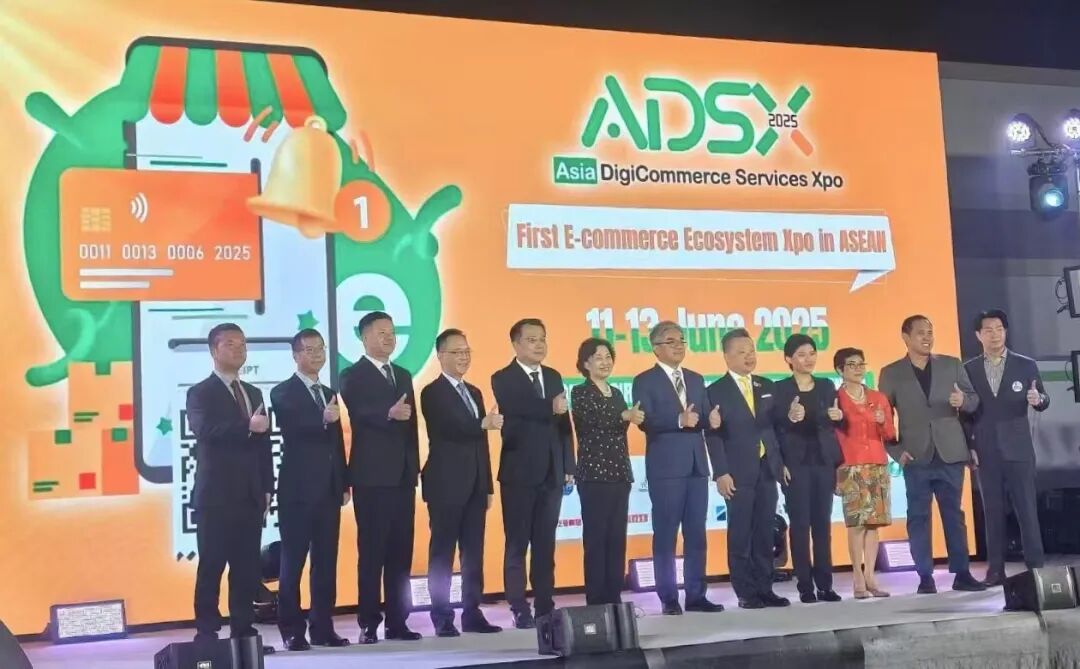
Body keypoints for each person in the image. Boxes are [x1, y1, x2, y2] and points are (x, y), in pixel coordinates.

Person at [878, 315, 985, 594]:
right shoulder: (891, 373)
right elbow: (882, 418)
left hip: (950, 452)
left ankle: (962, 573)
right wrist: (895, 451)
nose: (927, 337)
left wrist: (963, 401)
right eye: (920, 333)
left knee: (954, 516)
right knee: (918, 518)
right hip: (915, 456)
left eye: (930, 332)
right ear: (906, 337)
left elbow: (974, 400)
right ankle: (925, 576)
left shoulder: (952, 364)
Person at [186, 323, 274, 647]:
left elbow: (264, 444)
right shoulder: (200, 392)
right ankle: (207, 632)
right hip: (216, 496)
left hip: (250, 494)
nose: (239, 349)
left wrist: (267, 486)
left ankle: (243, 631)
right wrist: (246, 425)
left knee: (246, 568)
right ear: (214, 350)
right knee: (212, 565)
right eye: (230, 344)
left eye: (243, 344)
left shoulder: (254, 393)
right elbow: (204, 430)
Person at [339, 311, 421, 644]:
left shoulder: (402, 374)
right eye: (381, 332)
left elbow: (412, 425)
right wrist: (388, 413)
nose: (389, 338)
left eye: (392, 332)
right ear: (364, 337)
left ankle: (398, 622)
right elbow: (358, 411)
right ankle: (369, 623)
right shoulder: (351, 375)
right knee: (372, 552)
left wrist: (414, 467)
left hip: (402, 476)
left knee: (401, 552)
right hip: (371, 476)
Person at [632, 321, 723, 615]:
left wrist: (711, 420)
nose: (678, 346)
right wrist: (677, 420)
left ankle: (696, 595)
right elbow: (645, 421)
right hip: (666, 466)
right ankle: (668, 597)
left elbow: (703, 416)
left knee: (696, 533)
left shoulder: (696, 379)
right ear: (655, 348)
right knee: (666, 533)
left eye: (681, 340)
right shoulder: (644, 380)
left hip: (697, 465)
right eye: (671, 341)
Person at [491, 318, 576, 629]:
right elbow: (519, 407)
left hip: (552, 472)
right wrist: (550, 407)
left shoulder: (553, 376)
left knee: (545, 544)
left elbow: (564, 423)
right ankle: (518, 607)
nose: (539, 345)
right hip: (519, 473)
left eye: (542, 339)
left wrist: (568, 465)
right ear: (515, 344)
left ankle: (545, 605)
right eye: (531, 340)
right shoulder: (503, 378)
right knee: (517, 544)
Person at [270, 329, 350, 651]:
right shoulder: (282, 392)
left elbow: (337, 442)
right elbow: (292, 428)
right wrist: (322, 418)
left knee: (326, 562)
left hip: (329, 490)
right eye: (309, 350)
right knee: (293, 563)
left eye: (320, 349)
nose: (317, 355)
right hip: (297, 491)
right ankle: (292, 630)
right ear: (296, 355)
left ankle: (323, 627)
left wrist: (343, 482)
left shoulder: (329, 392)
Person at [420, 329, 503, 636]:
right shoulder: (432, 392)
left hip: (475, 485)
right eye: (457, 352)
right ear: (441, 356)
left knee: (473, 552)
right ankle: (442, 616)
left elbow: (482, 443)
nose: (463, 357)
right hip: (445, 484)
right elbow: (449, 428)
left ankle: (472, 612)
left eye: (467, 351)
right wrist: (482, 423)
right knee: (442, 553)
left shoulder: (475, 392)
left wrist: (488, 485)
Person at [706, 328, 790, 609]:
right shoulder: (715, 391)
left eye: (751, 351)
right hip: (737, 472)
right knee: (740, 533)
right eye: (741, 352)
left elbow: (776, 428)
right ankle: (745, 592)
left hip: (767, 470)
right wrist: (721, 472)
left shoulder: (767, 386)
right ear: (727, 356)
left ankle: (765, 588)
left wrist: (781, 463)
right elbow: (713, 436)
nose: (749, 356)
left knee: (765, 532)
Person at [965, 309, 1048, 586]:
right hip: (985, 449)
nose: (995, 335)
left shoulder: (1025, 365)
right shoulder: (969, 369)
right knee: (992, 512)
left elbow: (1043, 398)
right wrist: (970, 446)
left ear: (1006, 331)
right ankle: (995, 570)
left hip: (1019, 449)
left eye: (999, 329)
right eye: (988, 330)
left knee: (1027, 510)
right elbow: (965, 414)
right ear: (978, 335)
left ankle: (1036, 568)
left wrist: (1038, 399)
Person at [771, 334, 844, 604]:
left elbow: (833, 422)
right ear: (788, 359)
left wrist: (837, 417)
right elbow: (774, 428)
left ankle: (825, 585)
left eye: (812, 353)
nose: (808, 359)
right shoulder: (780, 389)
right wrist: (790, 417)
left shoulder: (826, 385)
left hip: (823, 462)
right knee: (800, 526)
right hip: (795, 465)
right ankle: (805, 586)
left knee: (822, 526)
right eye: (801, 355)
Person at [571, 338, 641, 606]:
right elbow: (593, 422)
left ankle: (614, 597)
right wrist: (623, 416)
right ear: (586, 363)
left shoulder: (617, 393)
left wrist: (628, 417)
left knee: (616, 539)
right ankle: (597, 601)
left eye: (608, 357)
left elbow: (619, 429)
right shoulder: (580, 392)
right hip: (594, 475)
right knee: (596, 539)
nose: (605, 362)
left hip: (619, 473)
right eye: (598, 357)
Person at [833, 347, 894, 599]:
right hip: (850, 466)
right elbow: (832, 437)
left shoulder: (878, 398)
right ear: (840, 370)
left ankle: (870, 576)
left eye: (861, 364)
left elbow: (890, 434)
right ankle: (857, 577)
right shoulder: (835, 399)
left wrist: (882, 421)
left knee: (873, 524)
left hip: (877, 464)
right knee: (856, 523)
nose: (858, 369)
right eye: (852, 365)